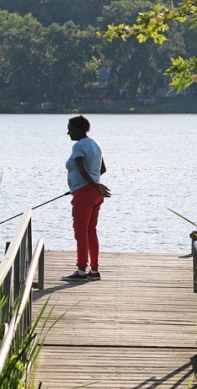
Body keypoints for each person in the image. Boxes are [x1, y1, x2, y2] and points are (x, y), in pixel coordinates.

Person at [61, 115, 111, 282]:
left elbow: (82, 169)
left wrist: (86, 184)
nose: (68, 132)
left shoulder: (79, 146)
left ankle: (81, 270)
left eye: (71, 129)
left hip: (85, 193)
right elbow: (102, 168)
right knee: (91, 231)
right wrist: (95, 184)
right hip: (95, 194)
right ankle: (94, 270)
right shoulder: (95, 144)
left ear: (79, 129)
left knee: (80, 232)